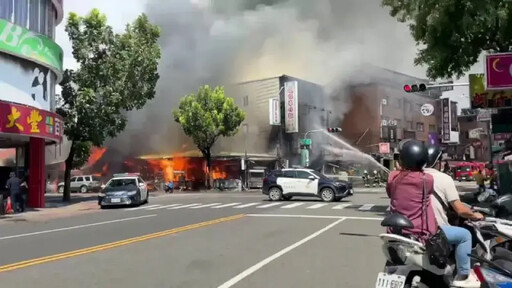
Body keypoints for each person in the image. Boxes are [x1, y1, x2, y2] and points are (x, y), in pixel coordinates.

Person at [425, 145, 483, 288]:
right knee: (465, 235)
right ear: (438, 162)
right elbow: (460, 210)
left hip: (410, 229)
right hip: (434, 230)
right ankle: (463, 275)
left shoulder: (411, 177)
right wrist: (474, 215)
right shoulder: (443, 178)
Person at [387, 139, 438, 243]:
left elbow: (390, 193)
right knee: (464, 236)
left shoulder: (393, 176)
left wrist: (399, 169)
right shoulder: (427, 179)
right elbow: (429, 192)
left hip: (395, 232)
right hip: (420, 233)